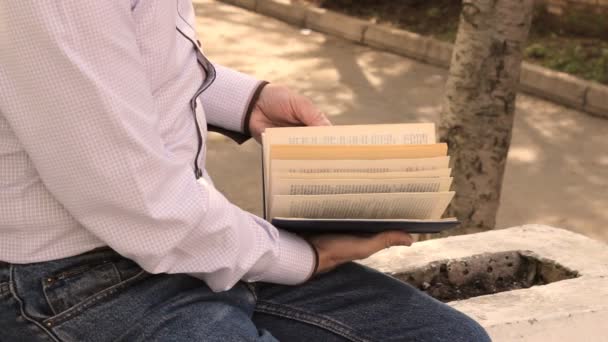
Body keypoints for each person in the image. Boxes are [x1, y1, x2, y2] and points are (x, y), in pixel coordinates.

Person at [0, 1, 490, 341]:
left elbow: (121, 62)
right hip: (69, 278)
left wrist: (244, 102)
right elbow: (140, 204)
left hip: (176, 244)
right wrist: (302, 257)